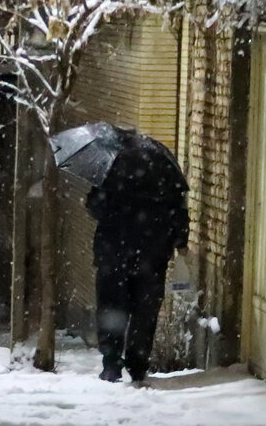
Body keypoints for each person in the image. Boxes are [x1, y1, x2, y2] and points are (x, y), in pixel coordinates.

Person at [85, 133, 189, 384]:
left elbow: (96, 208)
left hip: (114, 253)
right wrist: (180, 241)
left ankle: (111, 363)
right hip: (152, 255)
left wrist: (97, 203)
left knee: (112, 307)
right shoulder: (165, 173)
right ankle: (138, 363)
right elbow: (179, 213)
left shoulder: (111, 169)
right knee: (145, 311)